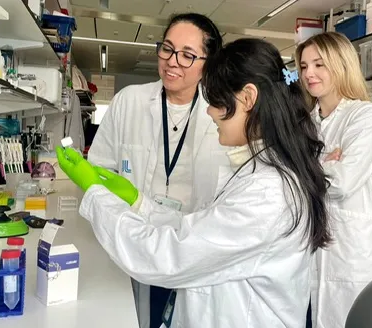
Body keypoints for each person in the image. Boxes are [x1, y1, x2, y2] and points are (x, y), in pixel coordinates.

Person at [56, 38, 331, 328]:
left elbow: (165, 256)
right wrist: (138, 202)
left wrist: (96, 194)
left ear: (248, 98)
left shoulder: (268, 192)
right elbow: (198, 230)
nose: (210, 111)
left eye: (215, 100)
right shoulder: (260, 168)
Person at [86, 13, 226, 328]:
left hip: (190, 247)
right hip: (132, 241)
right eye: (167, 49)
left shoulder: (220, 113)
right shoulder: (129, 101)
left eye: (187, 55)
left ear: (208, 62)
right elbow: (99, 168)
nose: (172, 61)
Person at [295, 31, 372, 328]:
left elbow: (342, 182)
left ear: (341, 65)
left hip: (350, 252)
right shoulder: (304, 120)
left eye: (319, 64)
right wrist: (324, 163)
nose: (309, 73)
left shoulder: (365, 116)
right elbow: (286, 175)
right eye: (303, 66)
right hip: (307, 246)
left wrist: (306, 166)